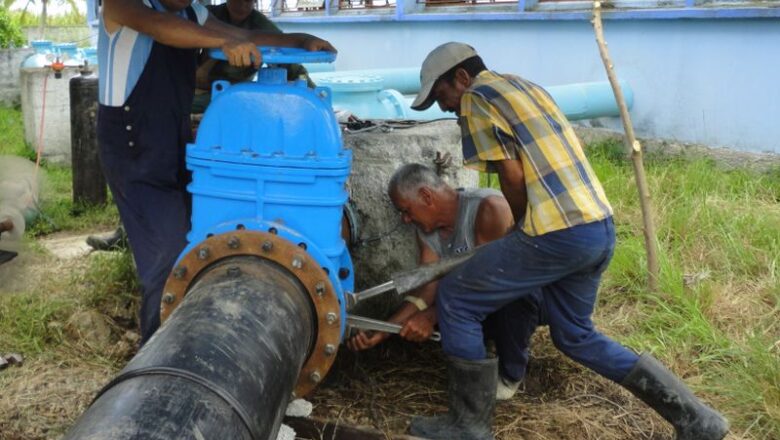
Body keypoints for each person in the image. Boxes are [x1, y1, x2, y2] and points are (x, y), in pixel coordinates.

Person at [406, 42, 729, 440]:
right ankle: (698, 418)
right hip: (597, 227)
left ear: (461, 77)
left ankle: (467, 424)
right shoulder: (527, 87)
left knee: (457, 296)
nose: (445, 108)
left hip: (556, 231)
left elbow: (511, 175)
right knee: (575, 335)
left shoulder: (476, 96)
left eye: (442, 96)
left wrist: (520, 228)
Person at [97, 0, 335, 345]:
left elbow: (242, 33)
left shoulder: (192, 13)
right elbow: (160, 26)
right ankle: (154, 356)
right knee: (165, 258)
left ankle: (193, 340)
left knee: (199, 244)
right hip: (131, 145)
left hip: (171, 139)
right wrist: (221, 44)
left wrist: (297, 40)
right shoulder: (123, 5)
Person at [347, 163, 543, 400]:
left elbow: (491, 282)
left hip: (523, 295)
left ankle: (510, 375)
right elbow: (428, 287)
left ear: (426, 196)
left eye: (406, 210)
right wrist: (385, 329)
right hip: (474, 304)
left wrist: (430, 316)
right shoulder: (427, 230)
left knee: (514, 300)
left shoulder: (489, 208)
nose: (406, 220)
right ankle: (480, 359)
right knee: (438, 312)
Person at [192, 0, 313, 112]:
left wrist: (314, 94)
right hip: (197, 84)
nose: (242, 4)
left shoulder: (264, 28)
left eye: (248, 0)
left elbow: (288, 63)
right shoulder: (209, 15)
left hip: (234, 90)